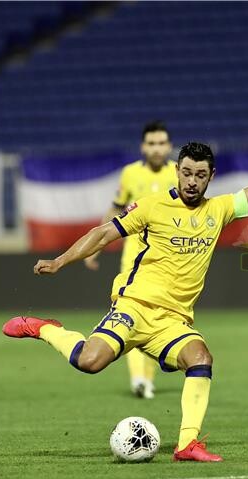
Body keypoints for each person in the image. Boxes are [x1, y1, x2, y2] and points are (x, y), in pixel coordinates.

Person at [2, 105, 248, 461]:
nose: (192, 181)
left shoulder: (221, 209)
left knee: (201, 358)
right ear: (177, 171)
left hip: (172, 321)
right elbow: (104, 232)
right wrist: (61, 260)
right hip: (133, 307)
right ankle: (43, 328)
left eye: (200, 175)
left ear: (211, 176)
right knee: (89, 362)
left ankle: (187, 444)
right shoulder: (152, 207)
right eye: (186, 173)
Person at [85, 120, 176, 400]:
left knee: (159, 319)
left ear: (169, 146)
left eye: (161, 143)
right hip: (134, 258)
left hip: (167, 260)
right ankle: (139, 378)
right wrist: (95, 248)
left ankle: (146, 378)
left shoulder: (180, 173)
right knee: (129, 314)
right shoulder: (130, 174)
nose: (156, 148)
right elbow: (115, 210)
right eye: (151, 143)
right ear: (143, 146)